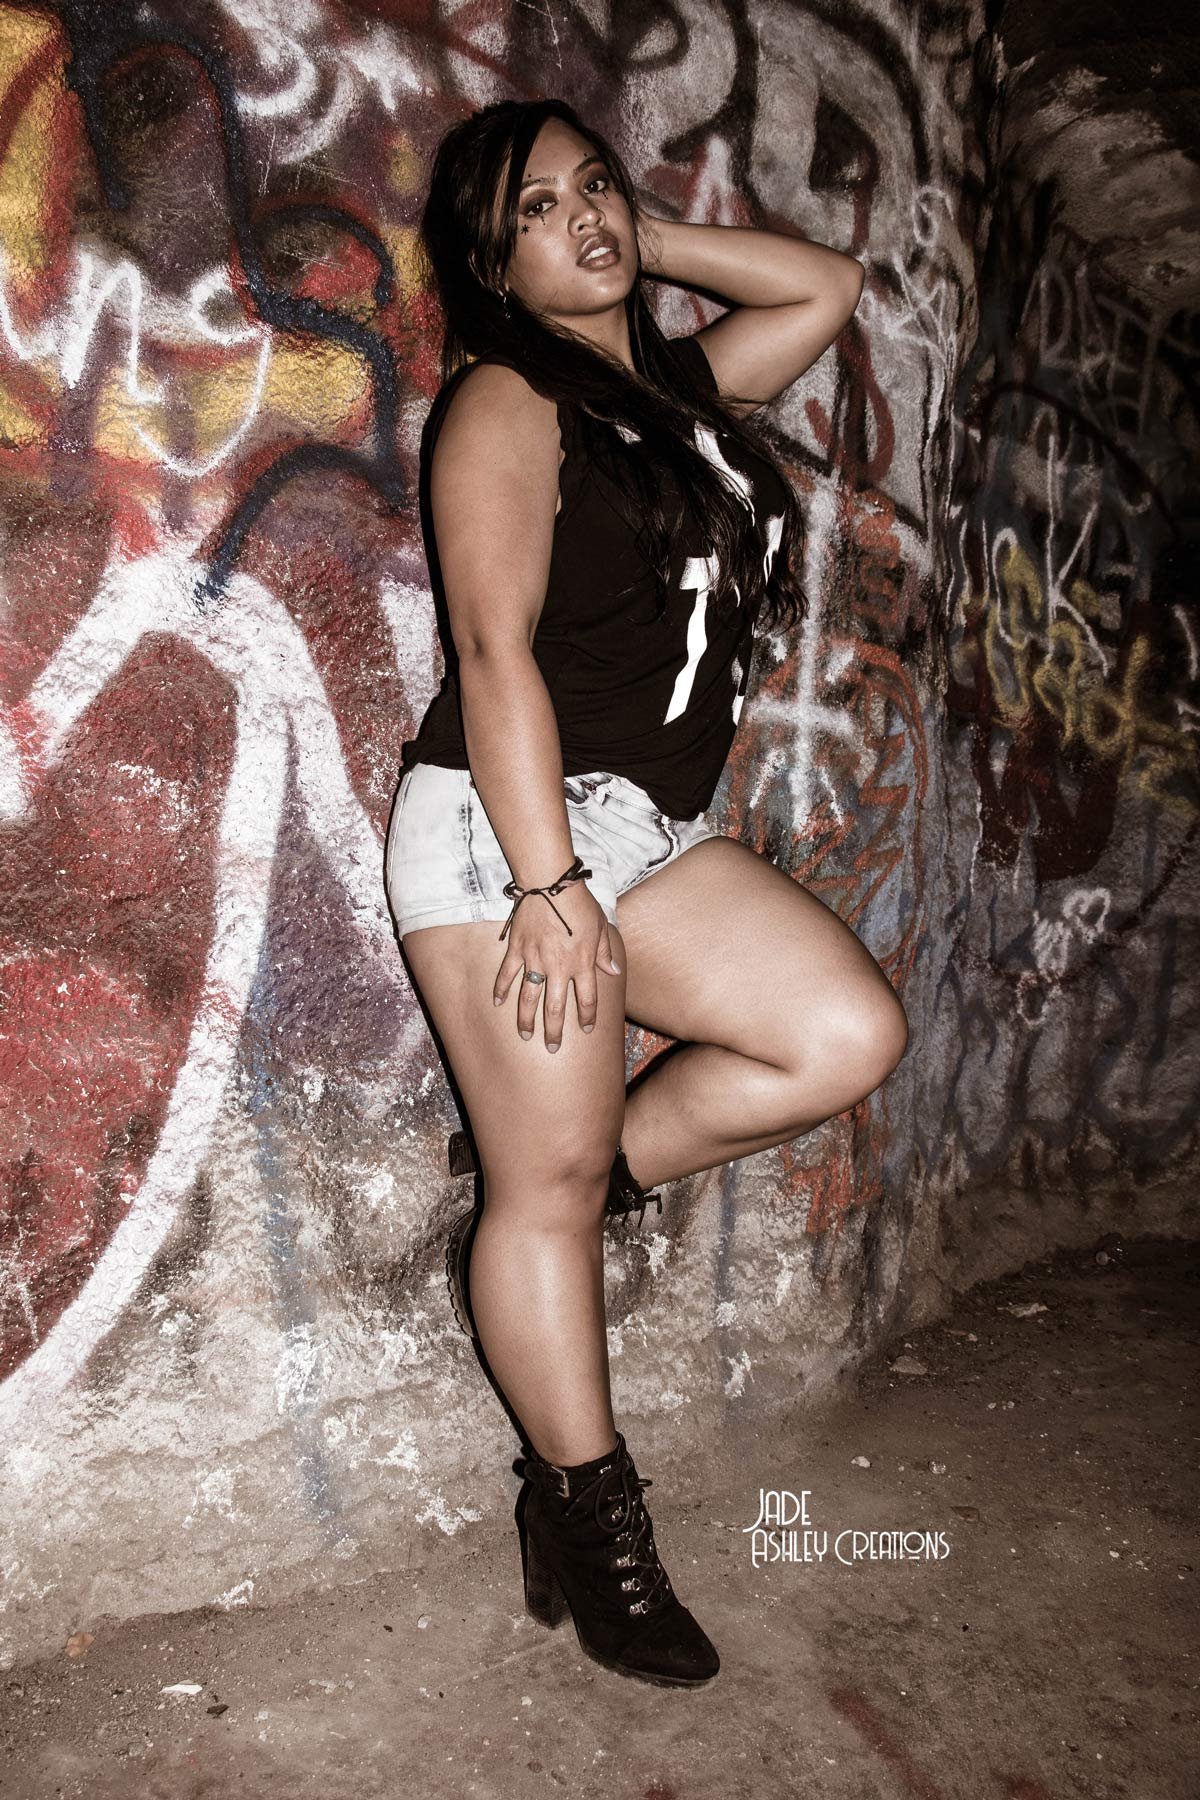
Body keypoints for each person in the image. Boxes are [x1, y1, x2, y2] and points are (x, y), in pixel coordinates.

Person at [386, 97, 908, 1689]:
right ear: (487, 258)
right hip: (506, 828)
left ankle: (582, 1174)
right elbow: (491, 655)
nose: (586, 217)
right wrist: (547, 886)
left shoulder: (672, 391)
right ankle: (586, 1509)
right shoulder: (502, 401)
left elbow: (822, 288)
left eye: (594, 186)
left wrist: (634, 243)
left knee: (839, 1032)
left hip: (646, 834)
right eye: (536, 209)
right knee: (535, 1191)